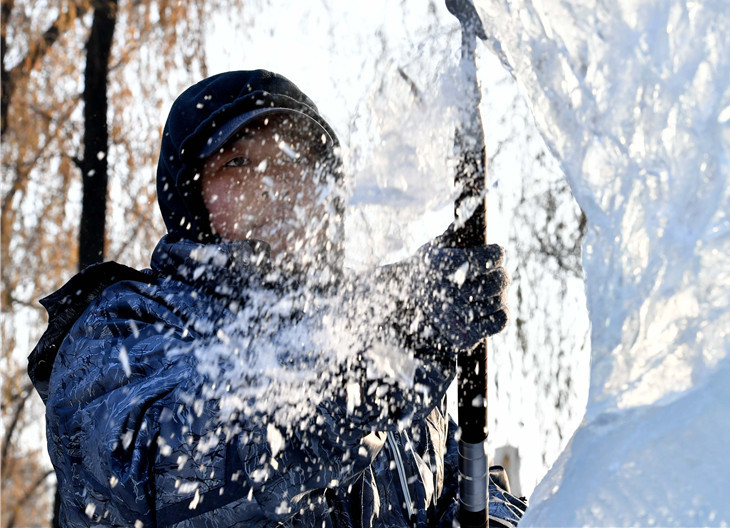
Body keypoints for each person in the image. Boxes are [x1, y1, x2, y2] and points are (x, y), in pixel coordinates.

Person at [28, 69, 527, 527]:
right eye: (238, 162)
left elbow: (458, 494)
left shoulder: (371, 335)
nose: (271, 185)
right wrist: (387, 348)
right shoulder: (122, 329)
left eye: (294, 161)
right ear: (190, 194)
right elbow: (181, 475)